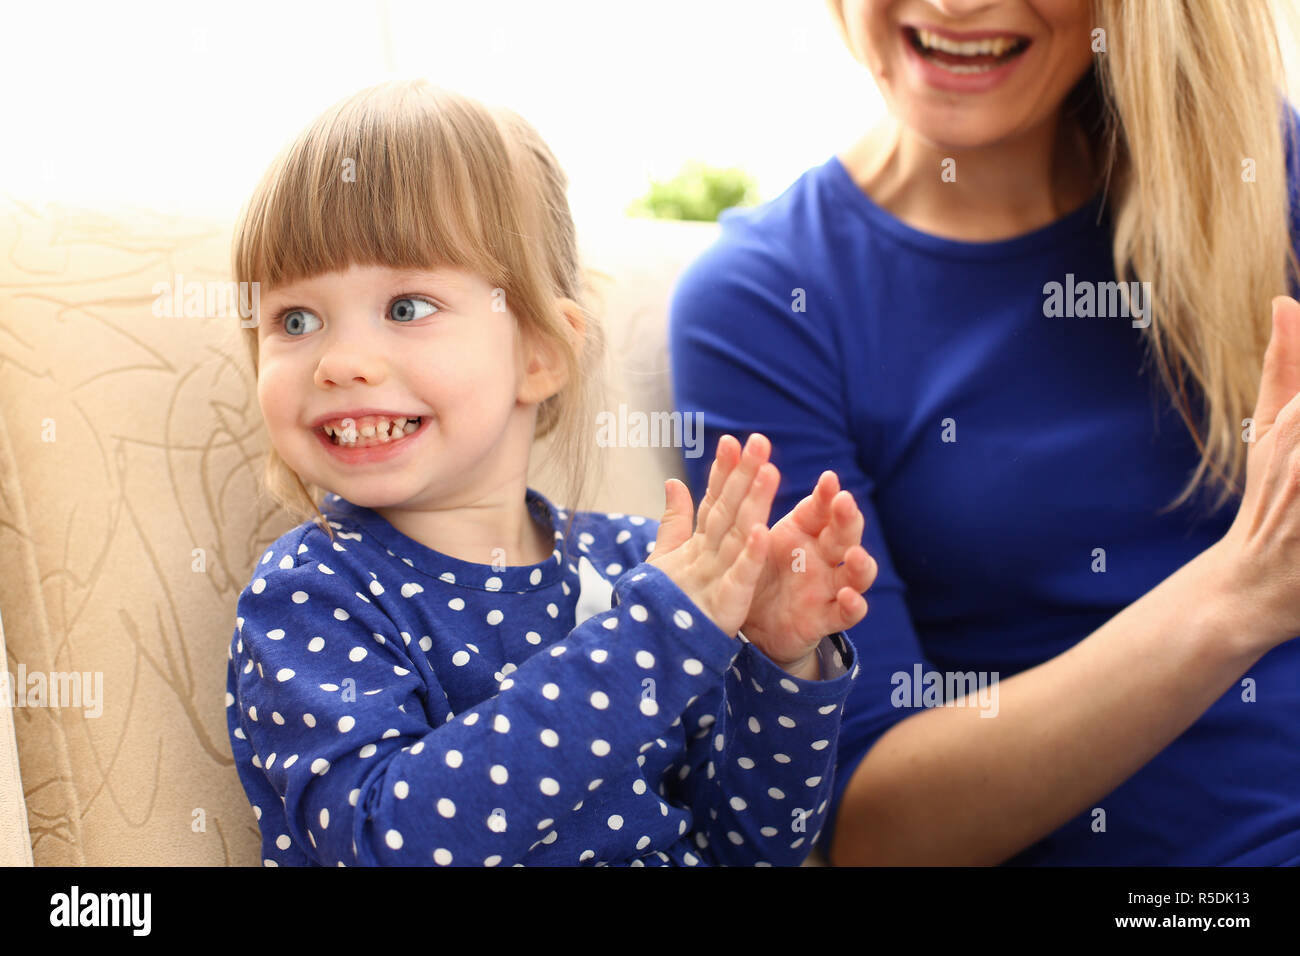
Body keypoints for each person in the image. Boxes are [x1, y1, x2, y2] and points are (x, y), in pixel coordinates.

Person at [668, 0, 1300, 865]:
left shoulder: (1255, 174)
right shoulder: (767, 303)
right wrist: (1241, 595)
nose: (958, 5)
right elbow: (873, 825)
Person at [224, 79, 878, 867]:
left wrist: (782, 663)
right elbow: (383, 843)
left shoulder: (642, 568)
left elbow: (749, 846)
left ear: (538, 351)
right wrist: (652, 639)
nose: (342, 362)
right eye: (295, 320)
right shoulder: (311, 592)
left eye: (406, 307)